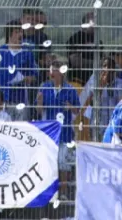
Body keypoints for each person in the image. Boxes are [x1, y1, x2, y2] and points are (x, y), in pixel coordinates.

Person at [35, 60, 79, 199]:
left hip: (65, 133)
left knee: (63, 163)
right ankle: (50, 192)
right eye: (50, 70)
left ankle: (64, 193)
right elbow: (38, 110)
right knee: (49, 163)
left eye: (54, 70)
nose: (51, 73)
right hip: (49, 134)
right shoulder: (44, 88)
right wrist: (40, 102)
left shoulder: (70, 89)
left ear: (62, 72)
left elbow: (77, 110)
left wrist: (69, 106)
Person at [0, 20, 38, 121]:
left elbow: (34, 75)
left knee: (20, 130)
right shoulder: (0, 51)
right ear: (9, 35)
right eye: (17, 32)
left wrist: (25, 79)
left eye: (21, 31)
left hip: (21, 99)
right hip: (1, 100)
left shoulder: (27, 53)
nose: (20, 34)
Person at [78, 57, 122, 141]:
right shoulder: (94, 81)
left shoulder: (121, 83)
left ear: (114, 70)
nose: (107, 69)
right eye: (104, 66)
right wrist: (100, 86)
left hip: (113, 125)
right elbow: (89, 103)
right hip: (97, 124)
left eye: (109, 66)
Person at [66, 12, 104, 88]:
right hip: (77, 81)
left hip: (94, 82)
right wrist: (96, 64)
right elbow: (75, 61)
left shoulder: (98, 41)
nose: (96, 23)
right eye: (93, 20)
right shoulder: (75, 38)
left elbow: (103, 60)